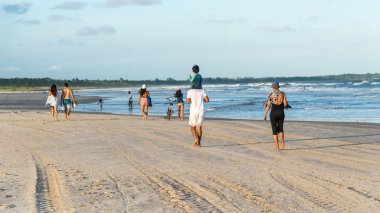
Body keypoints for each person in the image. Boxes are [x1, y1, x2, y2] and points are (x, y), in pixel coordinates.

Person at [263, 82, 288, 151]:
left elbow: (268, 106)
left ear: (273, 87)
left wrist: (265, 114)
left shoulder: (271, 95)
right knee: (280, 129)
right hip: (281, 113)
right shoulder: (283, 94)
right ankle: (282, 141)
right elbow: (285, 104)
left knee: (274, 130)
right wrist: (286, 106)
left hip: (273, 113)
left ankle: (277, 146)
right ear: (278, 87)